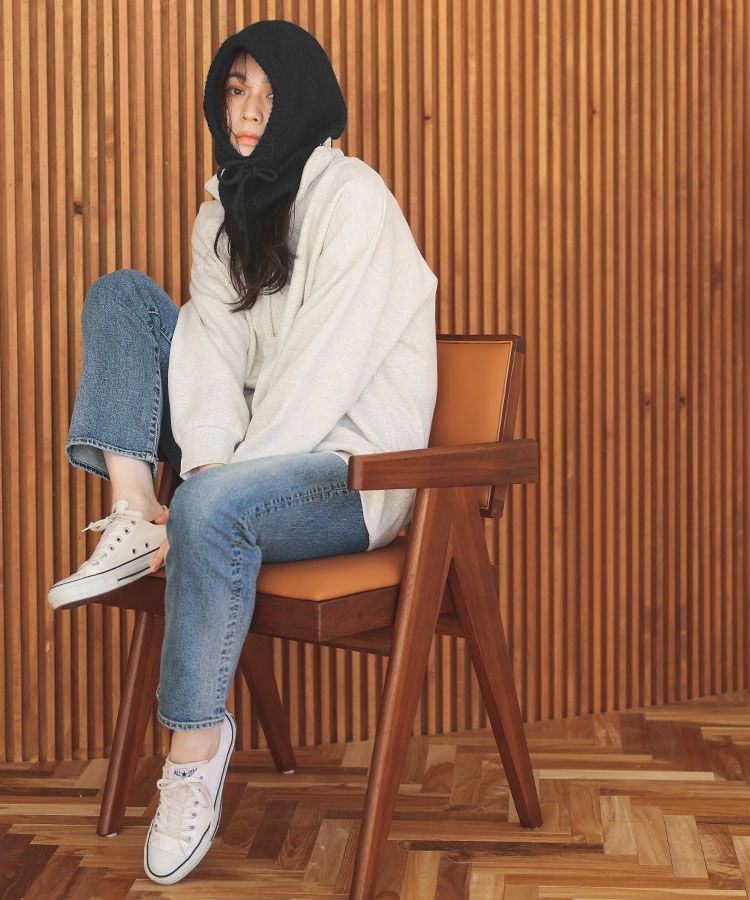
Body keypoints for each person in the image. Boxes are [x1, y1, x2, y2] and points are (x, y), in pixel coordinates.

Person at [47, 19, 438, 886]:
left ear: (306, 103)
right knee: (122, 296)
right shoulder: (221, 211)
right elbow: (213, 352)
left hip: (350, 471)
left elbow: (325, 366)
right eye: (235, 90)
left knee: (210, 506)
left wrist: (219, 482)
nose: (250, 111)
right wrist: (207, 463)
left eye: (269, 93)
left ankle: (191, 753)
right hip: (253, 464)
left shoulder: (354, 198)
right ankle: (132, 508)